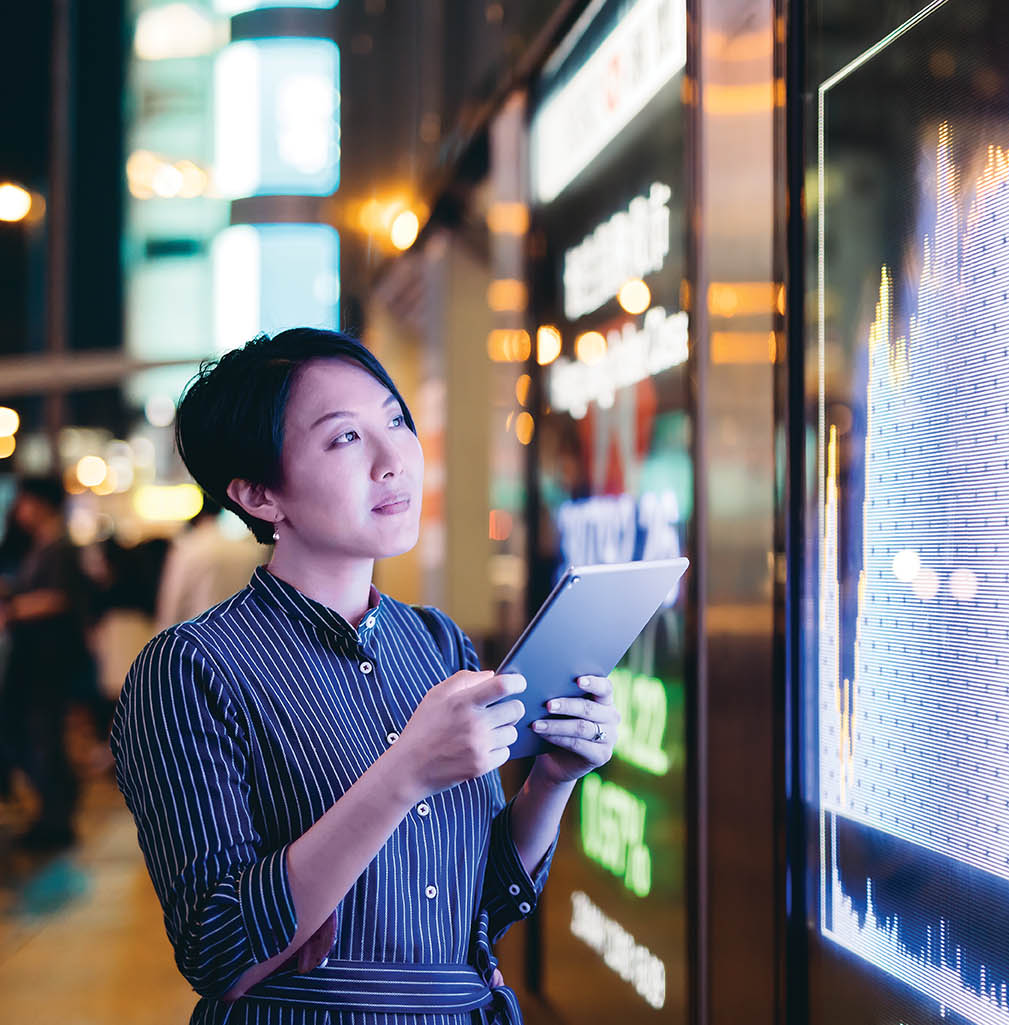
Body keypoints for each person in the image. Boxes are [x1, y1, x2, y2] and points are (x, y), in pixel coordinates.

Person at [111, 329, 619, 1024]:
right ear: (260, 493)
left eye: (395, 419)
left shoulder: (438, 643)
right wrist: (403, 771)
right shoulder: (192, 667)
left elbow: (481, 910)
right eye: (344, 438)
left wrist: (552, 779)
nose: (393, 460)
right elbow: (219, 950)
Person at [0, 476, 95, 852]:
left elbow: (60, 598)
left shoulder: (58, 546)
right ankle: (50, 817)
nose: (19, 509)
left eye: (23, 501)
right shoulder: (45, 545)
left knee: (44, 736)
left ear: (39, 503)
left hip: (47, 662)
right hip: (40, 661)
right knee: (39, 735)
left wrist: (13, 609)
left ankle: (55, 821)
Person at [155, 503, 267, 631]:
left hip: (197, 635)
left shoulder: (188, 548)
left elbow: (172, 602)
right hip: (240, 633)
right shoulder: (249, 552)